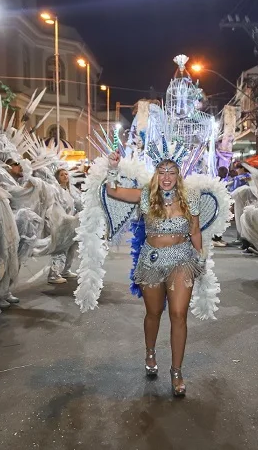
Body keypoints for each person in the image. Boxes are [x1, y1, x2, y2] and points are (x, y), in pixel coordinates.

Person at [104, 151, 205, 397]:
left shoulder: (190, 197)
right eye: (162, 171)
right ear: (156, 174)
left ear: (178, 174)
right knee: (154, 312)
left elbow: (194, 230)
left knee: (179, 314)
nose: (167, 177)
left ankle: (177, 371)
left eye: (172, 171)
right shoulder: (146, 196)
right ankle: (150, 352)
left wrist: (201, 257)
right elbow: (113, 191)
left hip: (182, 259)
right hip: (152, 261)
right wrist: (112, 167)